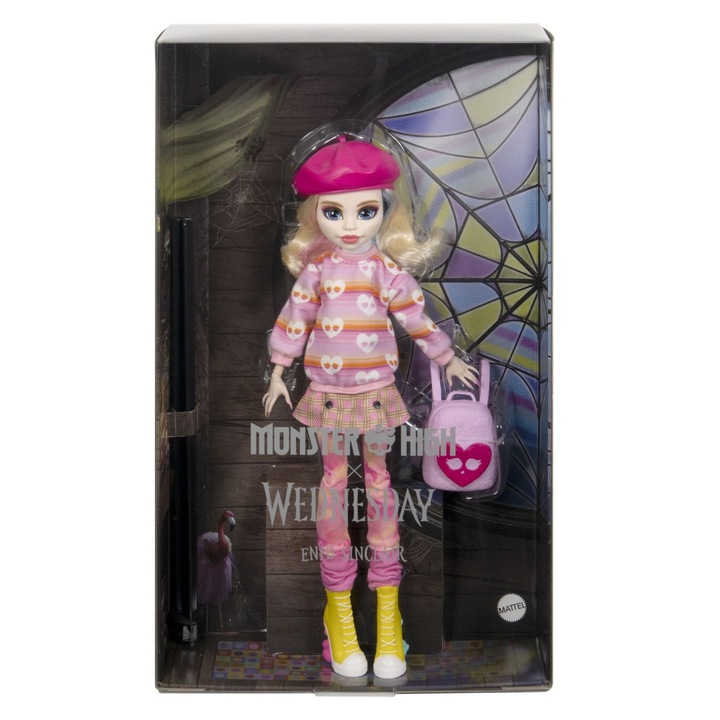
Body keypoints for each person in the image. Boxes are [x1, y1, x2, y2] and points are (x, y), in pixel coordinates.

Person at [263, 136, 477, 679]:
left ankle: (387, 617)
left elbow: (416, 317)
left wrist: (446, 357)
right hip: (327, 394)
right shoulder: (317, 271)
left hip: (378, 392)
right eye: (333, 212)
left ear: (385, 211)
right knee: (334, 483)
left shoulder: (385, 270)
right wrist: (278, 370)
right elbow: (294, 318)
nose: (350, 225)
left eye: (365, 211)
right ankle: (339, 615)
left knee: (380, 485)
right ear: (316, 215)